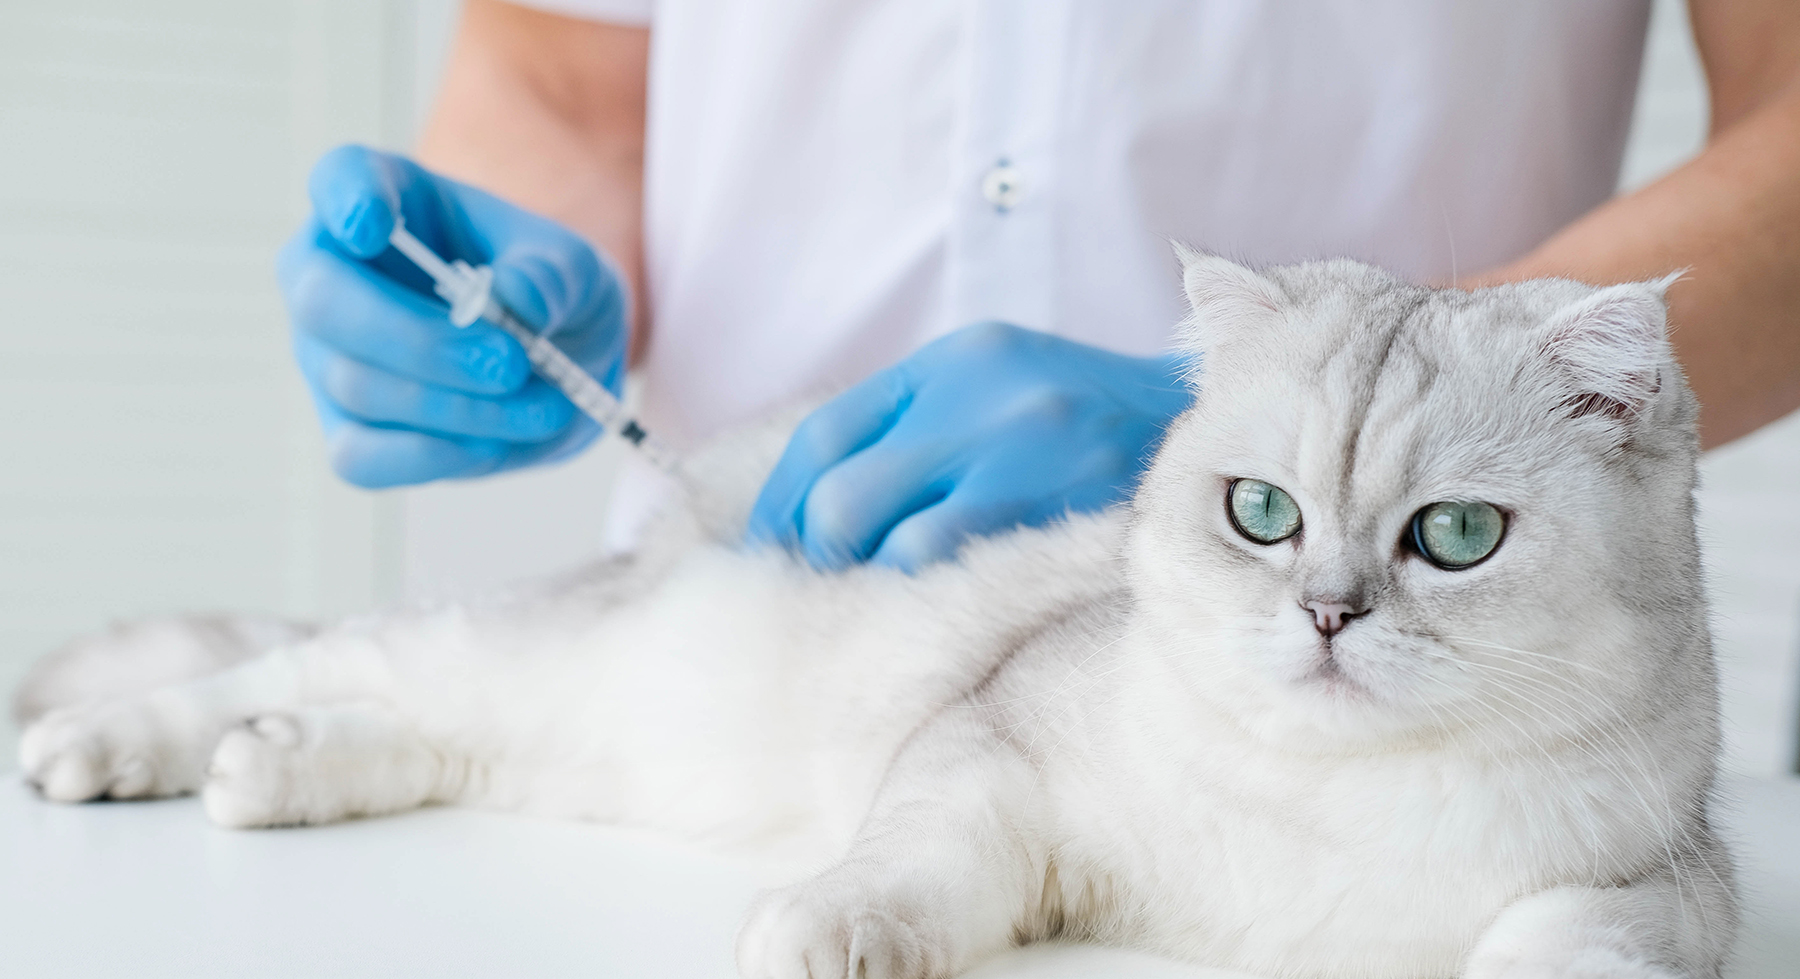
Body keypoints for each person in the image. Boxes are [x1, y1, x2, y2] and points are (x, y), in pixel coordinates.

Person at [279, 0, 1800, 572]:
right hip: (734, 634)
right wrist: (532, 266)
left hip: (1357, 718)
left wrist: (1253, 425)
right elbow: (561, 69)